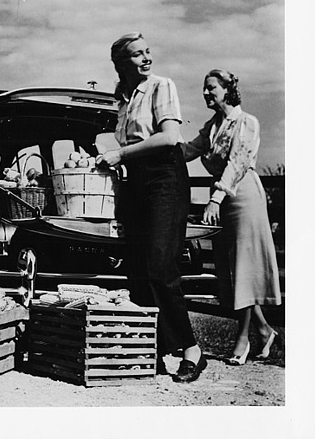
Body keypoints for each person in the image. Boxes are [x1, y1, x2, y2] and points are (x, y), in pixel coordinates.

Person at [99, 32, 206, 382]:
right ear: (121, 63)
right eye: (136, 55)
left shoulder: (162, 86)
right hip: (137, 182)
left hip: (165, 178)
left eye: (147, 52)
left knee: (161, 264)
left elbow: (170, 137)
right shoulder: (124, 100)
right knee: (140, 268)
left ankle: (191, 348)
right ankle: (154, 350)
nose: (146, 58)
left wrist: (120, 154)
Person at [182, 69, 282, 365]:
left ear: (227, 89)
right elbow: (188, 150)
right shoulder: (213, 126)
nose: (205, 93)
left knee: (245, 267)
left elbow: (238, 162)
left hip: (243, 195)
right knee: (232, 268)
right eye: (204, 88)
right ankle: (264, 330)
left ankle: (243, 339)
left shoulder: (246, 122)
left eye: (210, 88)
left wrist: (215, 198)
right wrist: (160, 146)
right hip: (224, 199)